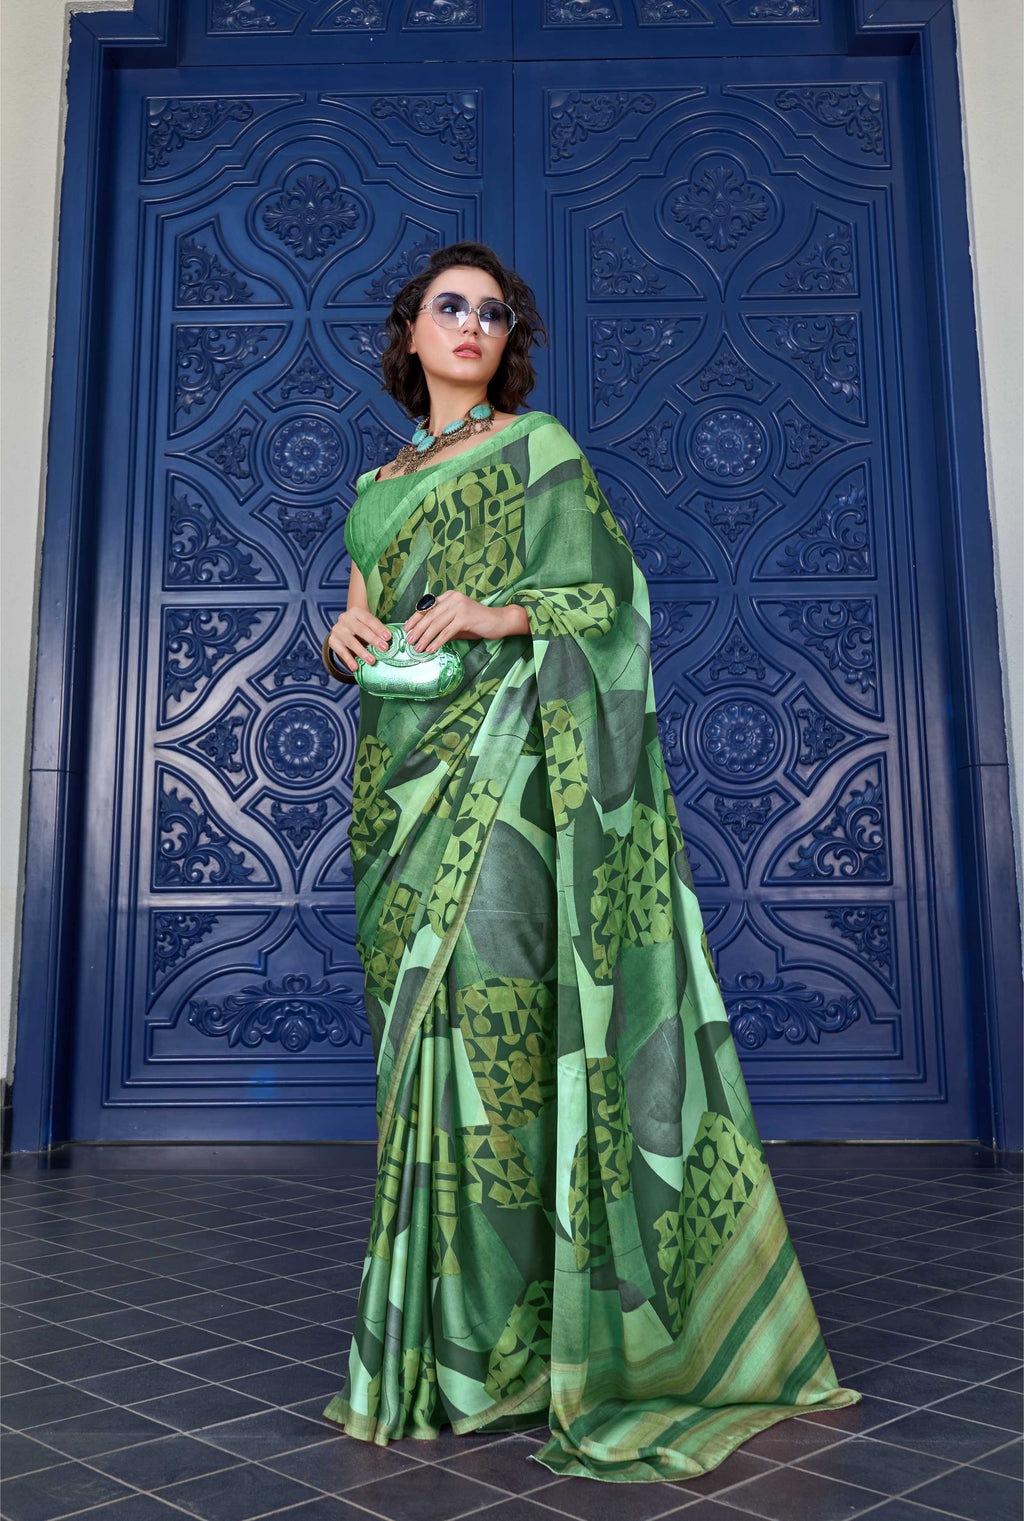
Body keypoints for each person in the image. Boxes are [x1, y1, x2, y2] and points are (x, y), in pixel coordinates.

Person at [320, 240, 861, 1482]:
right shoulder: (375, 480)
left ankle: (519, 1354)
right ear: (411, 336)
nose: (471, 326)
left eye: (493, 314)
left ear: (511, 343)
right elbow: (366, 604)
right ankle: (443, 1353)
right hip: (398, 796)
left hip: (509, 786)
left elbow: (609, 600)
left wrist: (496, 612)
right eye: (449, 309)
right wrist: (343, 635)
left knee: (499, 1055)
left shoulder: (541, 450)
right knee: (421, 1065)